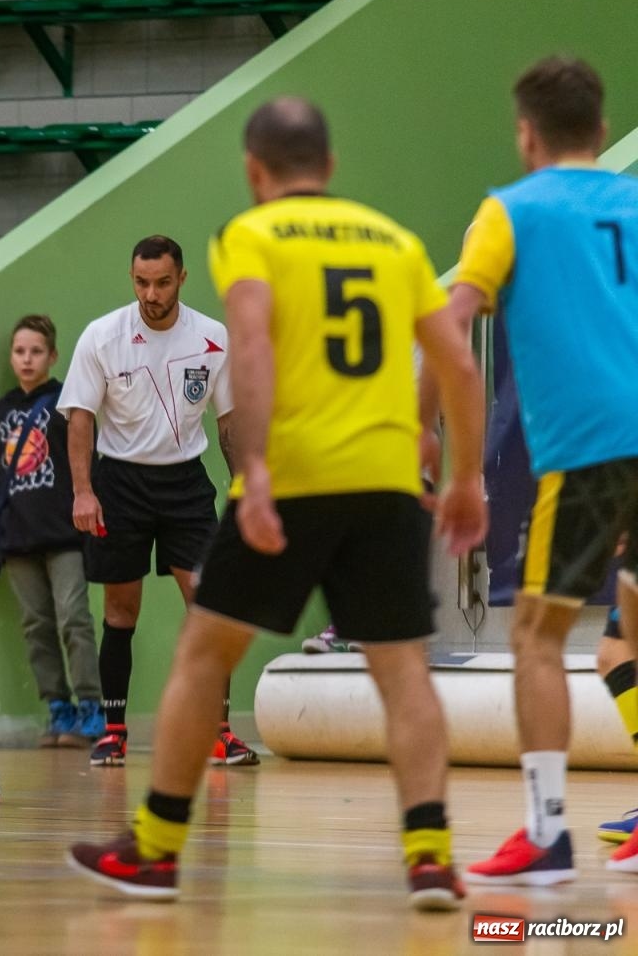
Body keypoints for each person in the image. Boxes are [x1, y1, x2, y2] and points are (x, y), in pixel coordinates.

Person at [67, 97, 488, 910]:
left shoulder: (252, 236)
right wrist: (462, 473)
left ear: (256, 173)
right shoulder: (394, 243)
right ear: (329, 168)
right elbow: (459, 367)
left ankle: (155, 849)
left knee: (201, 654)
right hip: (387, 481)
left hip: (297, 480)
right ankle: (431, 856)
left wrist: (254, 468)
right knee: (403, 674)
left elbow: (250, 346)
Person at [436, 56, 638, 884]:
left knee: (536, 637)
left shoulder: (509, 211)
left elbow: (452, 330)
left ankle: (548, 834)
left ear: (526, 134)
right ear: (600, 128)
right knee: (623, 637)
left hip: (591, 450)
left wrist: (455, 468)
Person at [57, 235, 258, 768]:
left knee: (210, 605)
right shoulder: (102, 336)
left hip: (185, 485)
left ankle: (219, 732)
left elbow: (230, 423)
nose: (151, 293)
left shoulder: (212, 338)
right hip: (119, 483)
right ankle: (114, 732)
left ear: (182, 279)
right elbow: (80, 418)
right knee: (121, 611)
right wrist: (83, 491)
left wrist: (244, 492)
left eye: (162, 282)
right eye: (142, 282)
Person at [0, 314, 103, 748]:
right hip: (17, 540)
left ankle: (91, 709)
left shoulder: (70, 405)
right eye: (19, 351)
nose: (27, 360)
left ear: (53, 356)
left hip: (66, 536)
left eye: (36, 351)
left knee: (74, 620)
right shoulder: (0, 412)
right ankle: (58, 709)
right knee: (36, 627)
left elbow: (91, 470)